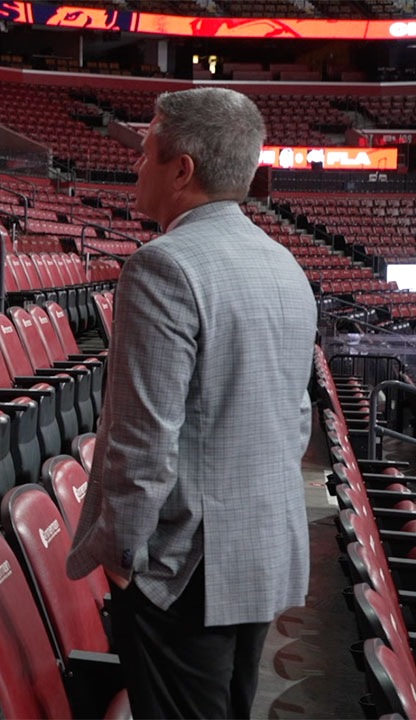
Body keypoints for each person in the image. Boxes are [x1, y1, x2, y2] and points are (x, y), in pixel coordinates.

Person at [65, 87, 317, 719]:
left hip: (184, 568)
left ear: (182, 169)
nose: (136, 165)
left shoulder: (163, 266)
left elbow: (142, 438)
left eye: (146, 150)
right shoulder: (285, 264)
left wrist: (123, 559)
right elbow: (297, 420)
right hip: (261, 546)